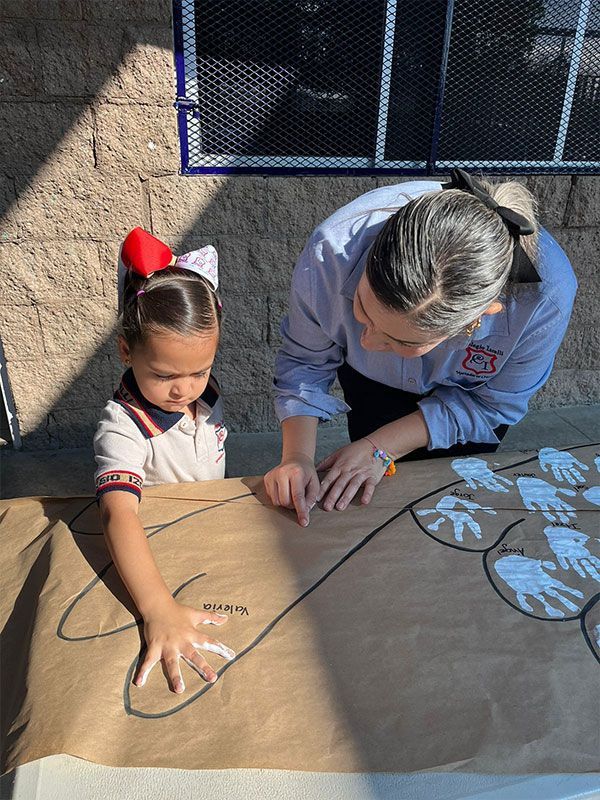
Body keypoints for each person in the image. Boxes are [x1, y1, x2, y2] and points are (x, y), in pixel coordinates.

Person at [265, 169, 577, 527]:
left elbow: (492, 405)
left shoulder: (545, 298)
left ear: (480, 317)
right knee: (373, 508)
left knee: (454, 503)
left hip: (470, 401)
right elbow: (306, 360)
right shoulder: (332, 251)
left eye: (402, 341)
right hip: (373, 387)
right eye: (361, 308)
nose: (366, 342)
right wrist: (297, 457)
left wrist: (379, 448)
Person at [94, 227, 234, 694]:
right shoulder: (122, 427)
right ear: (125, 350)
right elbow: (117, 514)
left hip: (214, 542)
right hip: (161, 562)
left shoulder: (203, 397)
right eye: (164, 375)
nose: (185, 389)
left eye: (200, 370)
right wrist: (158, 609)